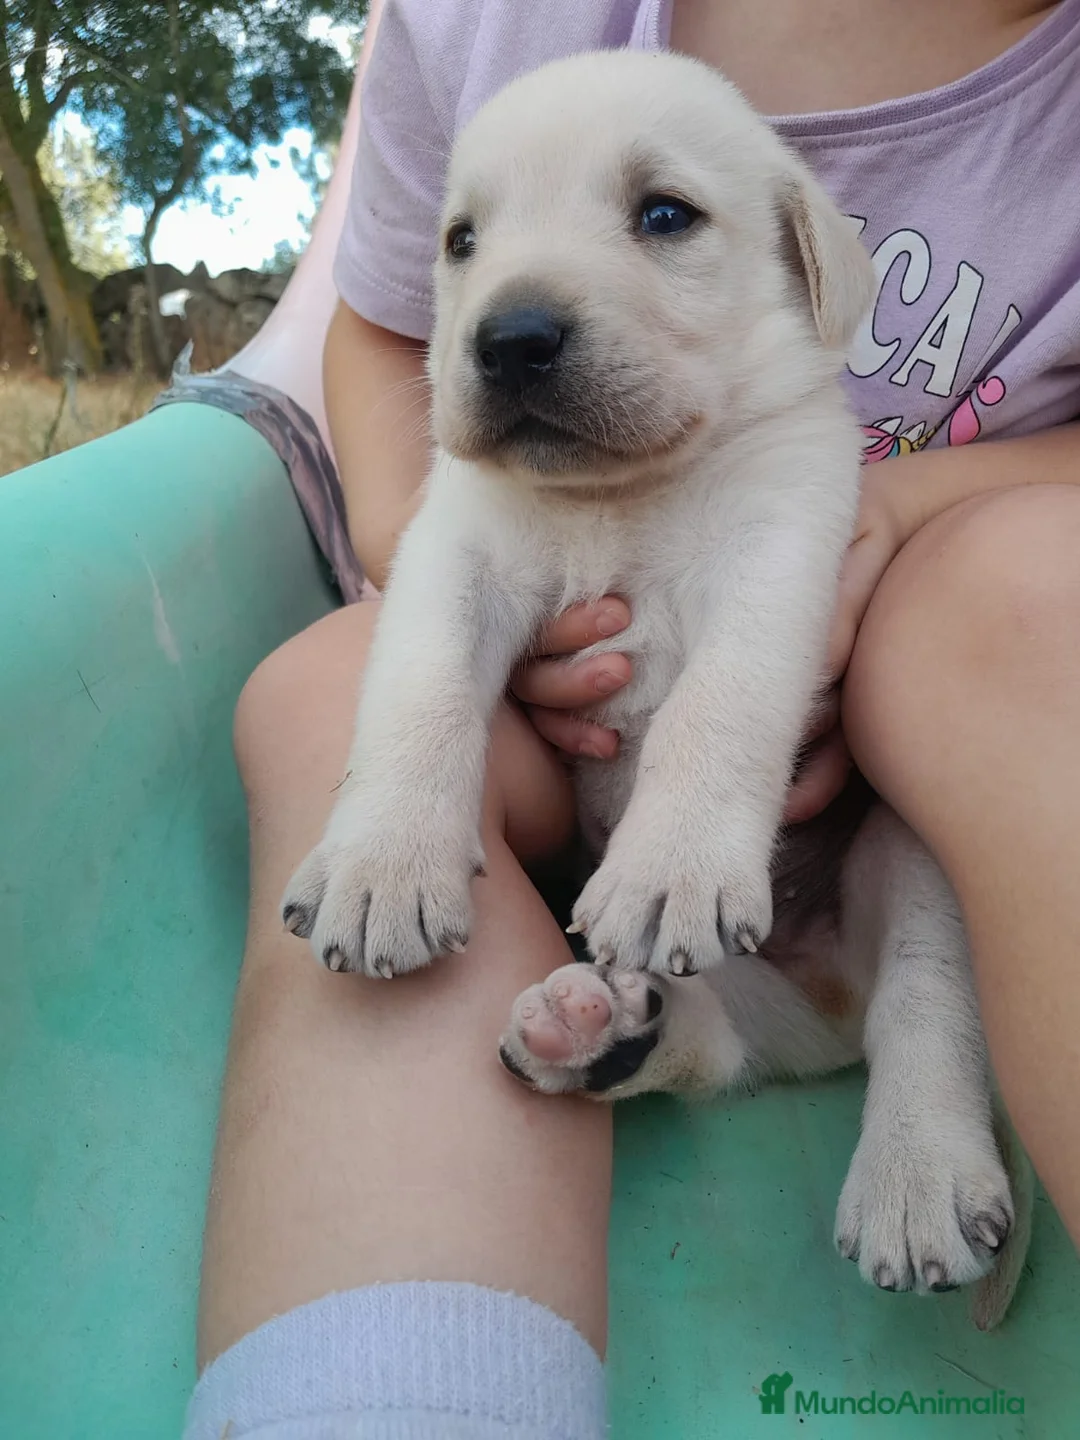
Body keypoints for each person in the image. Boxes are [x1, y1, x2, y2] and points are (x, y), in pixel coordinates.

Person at [184, 2, 1080, 1436]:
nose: (517, 311)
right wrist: (409, 745)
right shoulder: (482, 27)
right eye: (473, 241)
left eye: (661, 215)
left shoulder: (783, 436)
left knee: (919, 843)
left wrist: (712, 790)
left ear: (806, 264)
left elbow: (780, 592)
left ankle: (920, 1075)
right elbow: (412, 452)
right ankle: (397, 1391)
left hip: (881, 787)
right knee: (338, 699)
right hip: (578, 826)